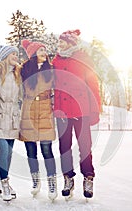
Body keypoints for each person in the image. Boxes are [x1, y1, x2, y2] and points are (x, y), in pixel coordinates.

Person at [52, 29, 101, 199]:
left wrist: (95, 110)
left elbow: (93, 85)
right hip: (62, 112)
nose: (59, 44)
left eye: (62, 41)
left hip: (81, 110)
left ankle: (88, 177)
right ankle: (68, 178)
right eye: (59, 42)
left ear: (71, 43)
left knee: (84, 146)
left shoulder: (83, 59)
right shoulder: (55, 61)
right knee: (64, 147)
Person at [19, 39, 57, 201]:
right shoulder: (24, 70)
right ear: (33, 54)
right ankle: (35, 180)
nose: (44, 53)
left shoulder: (51, 70)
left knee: (47, 149)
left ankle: (52, 181)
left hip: (45, 110)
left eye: (45, 50)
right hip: (28, 110)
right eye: (41, 50)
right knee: (30, 150)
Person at [0, 45, 21, 201]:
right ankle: (5, 183)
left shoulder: (17, 74)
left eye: (17, 54)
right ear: (5, 56)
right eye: (13, 54)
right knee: (3, 151)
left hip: (13, 117)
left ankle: (3, 183)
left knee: (9, 154)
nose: (16, 56)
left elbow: (22, 95)